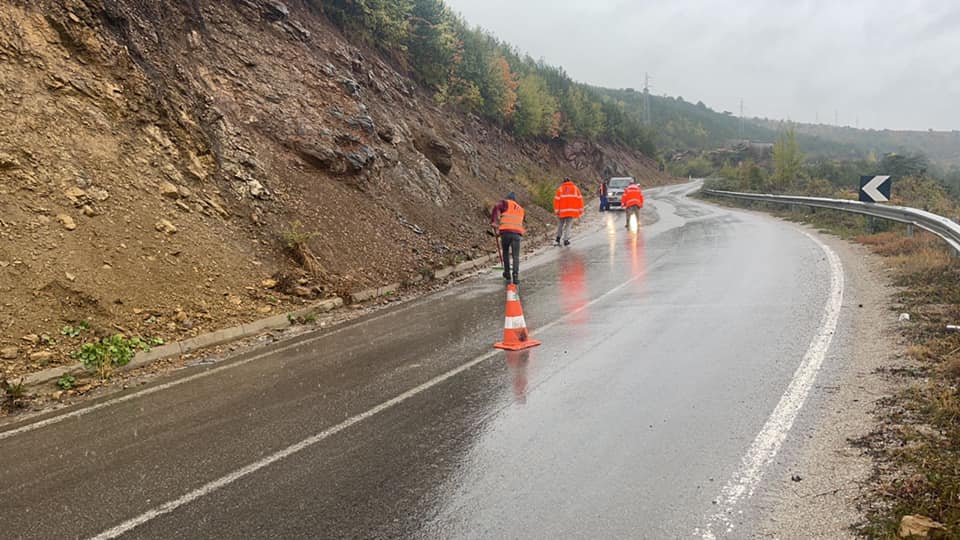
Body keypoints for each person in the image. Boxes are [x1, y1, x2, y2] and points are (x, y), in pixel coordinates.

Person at [490, 192, 526, 285]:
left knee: (505, 253)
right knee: (515, 256)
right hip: (517, 234)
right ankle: (515, 276)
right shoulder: (521, 209)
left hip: (505, 233)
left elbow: (496, 206)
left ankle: (507, 273)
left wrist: (494, 221)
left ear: (508, 198)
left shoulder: (506, 203)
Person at [553, 177, 584, 246]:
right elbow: (580, 199)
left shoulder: (560, 189)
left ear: (563, 182)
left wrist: (556, 210)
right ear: (570, 181)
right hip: (571, 211)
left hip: (562, 211)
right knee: (568, 225)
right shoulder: (575, 189)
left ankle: (557, 239)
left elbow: (556, 200)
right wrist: (580, 209)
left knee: (560, 225)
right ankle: (566, 240)